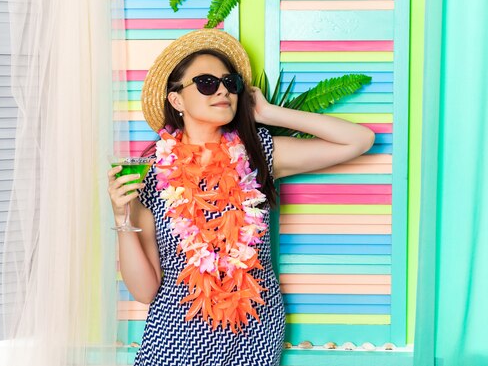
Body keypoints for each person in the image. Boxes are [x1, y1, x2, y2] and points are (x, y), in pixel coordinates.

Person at [107, 29, 374, 366]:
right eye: (205, 82)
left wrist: (268, 114)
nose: (222, 90)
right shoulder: (152, 175)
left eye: (230, 83)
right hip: (176, 339)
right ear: (177, 100)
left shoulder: (258, 153)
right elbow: (146, 291)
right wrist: (121, 218)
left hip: (254, 335)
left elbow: (359, 140)